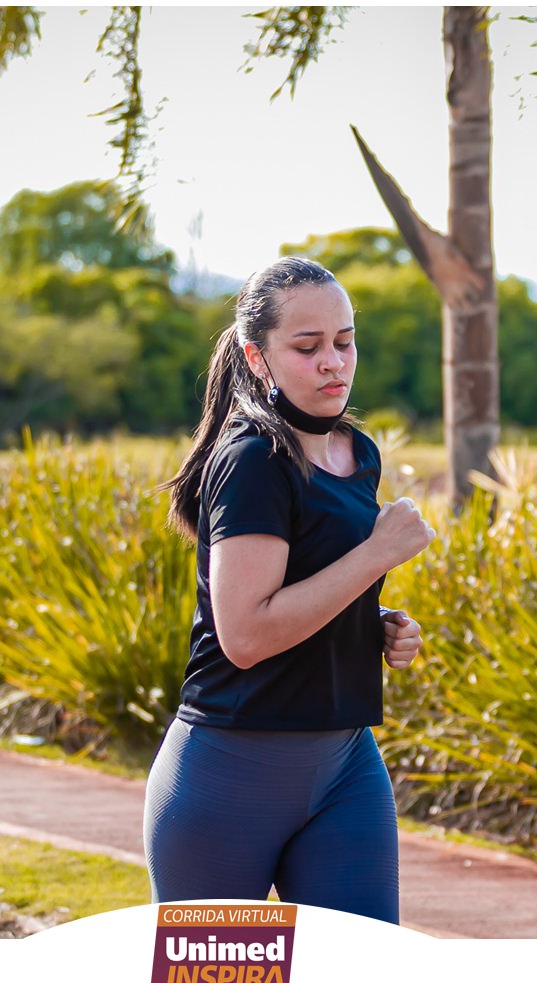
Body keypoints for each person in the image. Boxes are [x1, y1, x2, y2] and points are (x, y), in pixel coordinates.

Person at [144, 256, 434, 923]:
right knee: (224, 979)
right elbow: (245, 635)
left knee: (362, 972)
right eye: (308, 347)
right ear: (258, 356)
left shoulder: (357, 452)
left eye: (345, 341)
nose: (334, 362)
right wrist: (376, 555)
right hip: (228, 773)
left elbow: (313, 584)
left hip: (345, 766)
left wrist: (374, 623)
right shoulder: (253, 458)